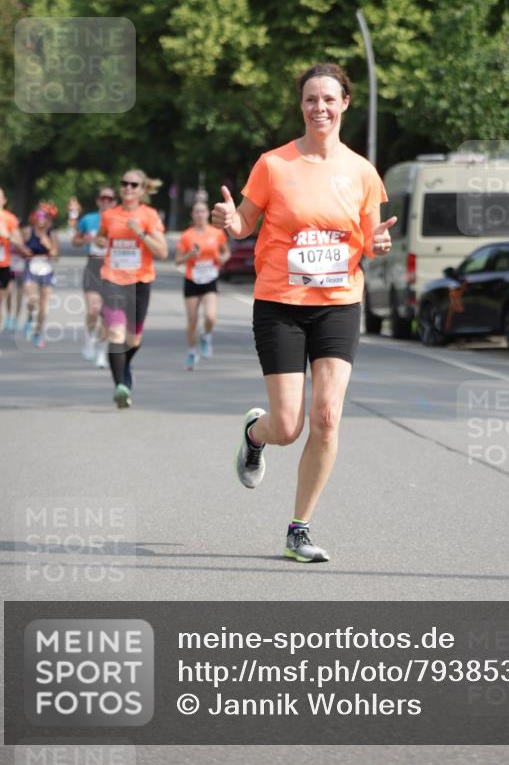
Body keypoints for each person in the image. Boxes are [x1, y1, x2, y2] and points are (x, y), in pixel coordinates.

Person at [212, 63, 396, 563]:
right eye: (311, 99)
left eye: (329, 99)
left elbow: (371, 241)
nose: (320, 108)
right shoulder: (273, 164)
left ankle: (299, 528)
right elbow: (244, 224)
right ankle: (256, 434)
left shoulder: (361, 171)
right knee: (288, 426)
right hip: (281, 305)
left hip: (339, 304)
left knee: (328, 416)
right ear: (301, 105)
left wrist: (379, 245)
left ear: (345, 104)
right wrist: (229, 220)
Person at [96, 169, 167, 408]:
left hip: (140, 282)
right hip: (112, 280)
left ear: (142, 189)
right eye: (124, 183)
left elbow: (162, 252)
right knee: (116, 335)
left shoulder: (149, 215)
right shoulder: (109, 215)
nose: (128, 187)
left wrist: (141, 233)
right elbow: (101, 237)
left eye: (133, 184)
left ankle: (124, 365)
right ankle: (121, 387)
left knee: (133, 340)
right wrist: (99, 241)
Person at [175, 200, 230, 369]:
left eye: (202, 211)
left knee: (210, 317)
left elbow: (226, 252)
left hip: (210, 279)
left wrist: (222, 259)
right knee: (192, 321)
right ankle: (192, 352)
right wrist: (190, 255)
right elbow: (178, 261)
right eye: (196, 212)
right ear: (192, 215)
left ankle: (206, 336)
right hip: (192, 280)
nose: (200, 215)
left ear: (208, 214)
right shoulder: (186, 236)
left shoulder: (216, 233)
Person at [73, 187, 116, 368]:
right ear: (98, 201)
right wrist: (87, 240)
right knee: (93, 309)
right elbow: (75, 241)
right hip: (93, 267)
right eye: (103, 198)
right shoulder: (88, 219)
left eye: (109, 199)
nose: (106, 201)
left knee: (107, 314)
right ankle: (89, 340)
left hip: (113, 269)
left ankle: (101, 352)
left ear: (114, 202)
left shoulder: (119, 220)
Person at [0, 187, 27, 358]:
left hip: (2, 266)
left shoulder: (10, 219)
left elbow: (20, 243)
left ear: (4, 200)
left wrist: (6, 235)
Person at [22, 202, 60, 348]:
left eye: (45, 215)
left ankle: (38, 332)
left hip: (46, 271)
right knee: (32, 300)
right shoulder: (28, 231)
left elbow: (55, 256)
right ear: (35, 216)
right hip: (30, 270)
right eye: (39, 214)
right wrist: (24, 251)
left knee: (44, 306)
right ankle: (29, 319)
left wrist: (49, 245)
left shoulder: (52, 234)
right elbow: (19, 248)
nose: (42, 218)